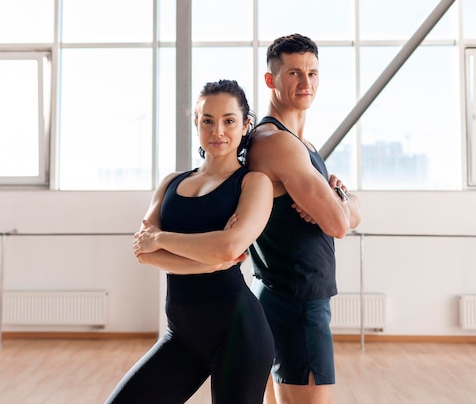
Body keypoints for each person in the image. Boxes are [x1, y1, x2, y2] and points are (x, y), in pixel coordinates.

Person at [105, 79, 275, 404]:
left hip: (240, 335)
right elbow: (142, 251)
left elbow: (228, 248)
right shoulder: (171, 182)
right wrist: (208, 261)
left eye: (229, 120)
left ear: (245, 125)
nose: (218, 131)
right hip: (182, 337)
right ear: (196, 122)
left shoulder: (254, 183)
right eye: (208, 120)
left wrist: (163, 239)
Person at [247, 34, 362, 404]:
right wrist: (337, 204)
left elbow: (347, 212)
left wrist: (337, 197)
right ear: (271, 80)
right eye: (294, 73)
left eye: (312, 73)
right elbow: (339, 224)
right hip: (294, 297)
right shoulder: (275, 141)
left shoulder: (305, 146)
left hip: (292, 293)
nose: (306, 82)